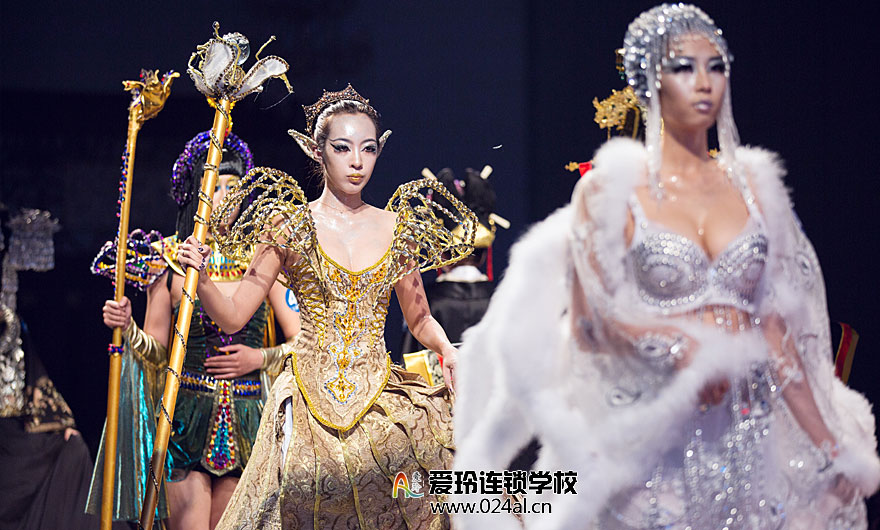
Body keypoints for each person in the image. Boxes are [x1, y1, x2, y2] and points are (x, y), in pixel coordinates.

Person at [453, 4, 880, 529]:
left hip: (751, 436)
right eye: (683, 67)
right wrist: (677, 349)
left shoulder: (755, 190)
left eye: (716, 66)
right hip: (655, 443)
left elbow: (777, 330)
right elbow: (592, 323)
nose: (704, 82)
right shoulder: (610, 193)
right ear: (650, 79)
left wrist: (834, 447)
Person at [175, 84, 475, 529]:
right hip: (306, 401)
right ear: (316, 151)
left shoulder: (397, 228)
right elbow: (235, 315)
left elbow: (420, 318)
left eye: (368, 149)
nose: (357, 162)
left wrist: (446, 348)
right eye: (342, 148)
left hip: (378, 398)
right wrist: (200, 281)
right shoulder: (288, 225)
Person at [88, 132, 301, 530]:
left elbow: (303, 341)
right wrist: (128, 326)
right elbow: (157, 351)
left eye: (232, 188)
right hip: (185, 422)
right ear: (195, 194)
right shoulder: (169, 259)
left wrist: (259, 358)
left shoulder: (262, 259)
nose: (224, 197)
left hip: (250, 420)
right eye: (214, 187)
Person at [0, 206, 98, 530]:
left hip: (12, 435)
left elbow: (30, 376)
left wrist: (61, 424)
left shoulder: (10, 325)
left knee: (73, 451)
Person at [400, 166, 506, 381]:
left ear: (441, 252)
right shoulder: (503, 299)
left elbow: (412, 366)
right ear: (484, 254)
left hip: (440, 397)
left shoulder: (425, 300)